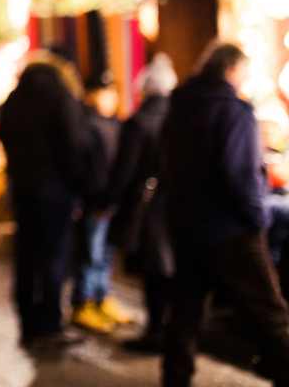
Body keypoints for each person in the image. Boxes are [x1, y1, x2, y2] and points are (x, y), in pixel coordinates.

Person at [162, 42, 289, 387]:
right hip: (231, 229)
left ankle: (176, 379)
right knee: (271, 313)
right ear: (232, 70)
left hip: (188, 226)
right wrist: (257, 218)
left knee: (186, 313)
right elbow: (240, 174)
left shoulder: (180, 105)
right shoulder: (233, 111)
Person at [0, 53, 91, 351]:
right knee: (53, 257)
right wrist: (78, 185)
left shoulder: (13, 100)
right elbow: (74, 145)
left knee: (26, 256)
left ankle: (28, 323)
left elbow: (5, 139)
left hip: (23, 190)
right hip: (56, 192)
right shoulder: (60, 97)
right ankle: (50, 324)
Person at [108, 53, 177, 354]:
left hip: (147, 205)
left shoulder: (138, 122)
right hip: (177, 203)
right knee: (171, 269)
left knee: (154, 270)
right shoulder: (180, 118)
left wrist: (109, 201)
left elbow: (124, 171)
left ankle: (156, 330)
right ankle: (172, 330)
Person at [71, 69, 133, 334]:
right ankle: (83, 303)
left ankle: (101, 297)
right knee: (90, 253)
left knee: (105, 253)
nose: (109, 98)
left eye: (112, 93)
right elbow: (84, 169)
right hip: (94, 202)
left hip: (112, 200)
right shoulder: (84, 126)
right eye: (104, 92)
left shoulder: (116, 125)